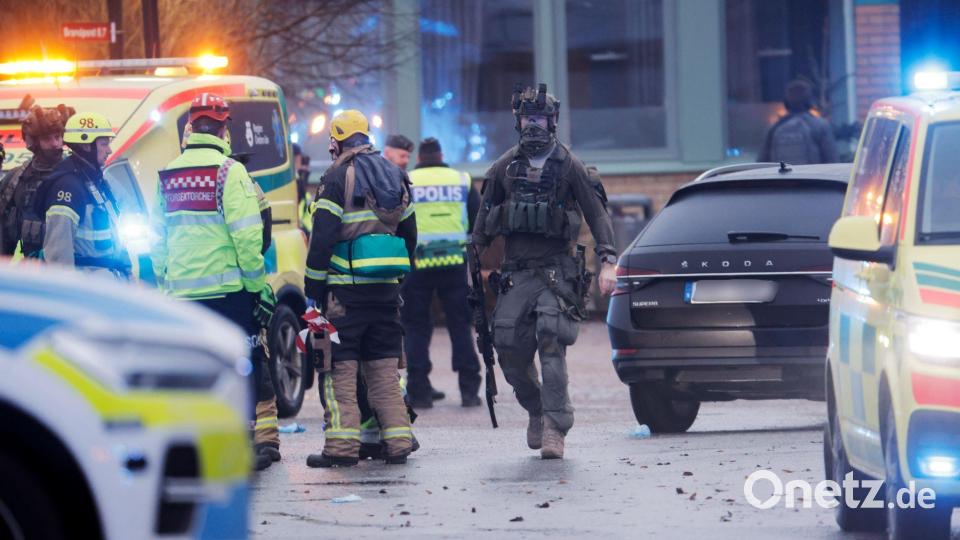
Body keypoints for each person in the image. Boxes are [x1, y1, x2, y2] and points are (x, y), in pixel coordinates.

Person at [472, 84, 617, 459]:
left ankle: (555, 425)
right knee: (508, 349)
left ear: (552, 122)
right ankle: (536, 408)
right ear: (517, 121)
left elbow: (597, 214)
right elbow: (483, 225)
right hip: (516, 272)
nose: (533, 126)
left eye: (540, 119)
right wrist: (470, 262)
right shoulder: (504, 168)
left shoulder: (570, 166)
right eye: (527, 118)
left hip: (556, 271)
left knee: (551, 341)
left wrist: (608, 261)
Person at [150, 93, 280, 472]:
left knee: (195, 370)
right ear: (224, 129)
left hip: (183, 296)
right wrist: (259, 288)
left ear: (190, 128)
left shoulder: (169, 174)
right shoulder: (229, 172)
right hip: (230, 295)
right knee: (245, 364)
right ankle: (240, 443)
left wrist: (165, 282)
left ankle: (200, 443)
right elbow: (246, 237)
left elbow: (158, 240)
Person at [304, 109, 416, 467]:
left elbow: (321, 238)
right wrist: (396, 279)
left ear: (336, 141)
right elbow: (410, 235)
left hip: (344, 295)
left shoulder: (336, 177)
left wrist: (313, 288)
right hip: (385, 292)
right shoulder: (395, 174)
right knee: (384, 372)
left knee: (340, 373)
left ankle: (340, 449)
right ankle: (398, 443)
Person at [401, 137, 482, 409]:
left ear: (420, 158)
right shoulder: (461, 180)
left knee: (416, 326)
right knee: (460, 325)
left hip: (417, 264)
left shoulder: (407, 179)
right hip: (453, 261)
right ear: (442, 155)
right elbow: (477, 219)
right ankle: (469, 389)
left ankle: (419, 390)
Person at [30, 111, 131, 277]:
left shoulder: (96, 182)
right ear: (86, 146)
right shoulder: (68, 188)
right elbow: (58, 258)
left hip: (108, 286)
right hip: (88, 291)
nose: (109, 150)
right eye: (104, 144)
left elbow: (115, 238)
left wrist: (128, 275)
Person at [0, 103, 74, 257]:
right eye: (47, 139)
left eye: (58, 137)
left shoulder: (77, 175)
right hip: (34, 272)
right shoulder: (15, 181)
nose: (55, 144)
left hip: (74, 270)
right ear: (33, 142)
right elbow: (3, 237)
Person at [758, 79, 838, 165]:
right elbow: (832, 160)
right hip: (811, 177)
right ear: (809, 101)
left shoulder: (774, 128)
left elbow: (762, 162)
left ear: (786, 102)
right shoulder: (820, 126)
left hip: (782, 178)